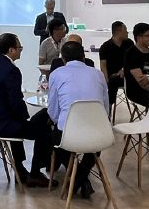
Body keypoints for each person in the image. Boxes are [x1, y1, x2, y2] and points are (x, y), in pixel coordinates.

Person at [0, 33, 53, 187]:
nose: (21, 51)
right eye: (20, 48)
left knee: (23, 120)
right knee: (45, 122)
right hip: (2, 125)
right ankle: (36, 172)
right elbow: (15, 102)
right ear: (11, 50)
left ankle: (20, 168)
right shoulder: (11, 70)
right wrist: (25, 118)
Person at [46, 41, 110, 199]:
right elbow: (105, 108)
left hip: (69, 134)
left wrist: (61, 120)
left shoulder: (57, 74)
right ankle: (81, 180)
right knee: (94, 149)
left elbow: (53, 112)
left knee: (55, 139)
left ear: (63, 58)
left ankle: (76, 180)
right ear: (83, 56)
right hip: (99, 133)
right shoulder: (98, 74)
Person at [123, 22, 149, 109]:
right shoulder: (131, 54)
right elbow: (142, 81)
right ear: (139, 37)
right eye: (148, 36)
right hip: (136, 91)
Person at [98, 21, 132, 108]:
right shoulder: (105, 47)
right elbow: (103, 65)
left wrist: (123, 70)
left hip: (127, 75)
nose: (127, 32)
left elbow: (133, 60)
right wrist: (106, 80)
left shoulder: (129, 44)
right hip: (113, 77)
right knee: (112, 80)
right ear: (118, 32)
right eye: (125, 30)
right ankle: (108, 105)